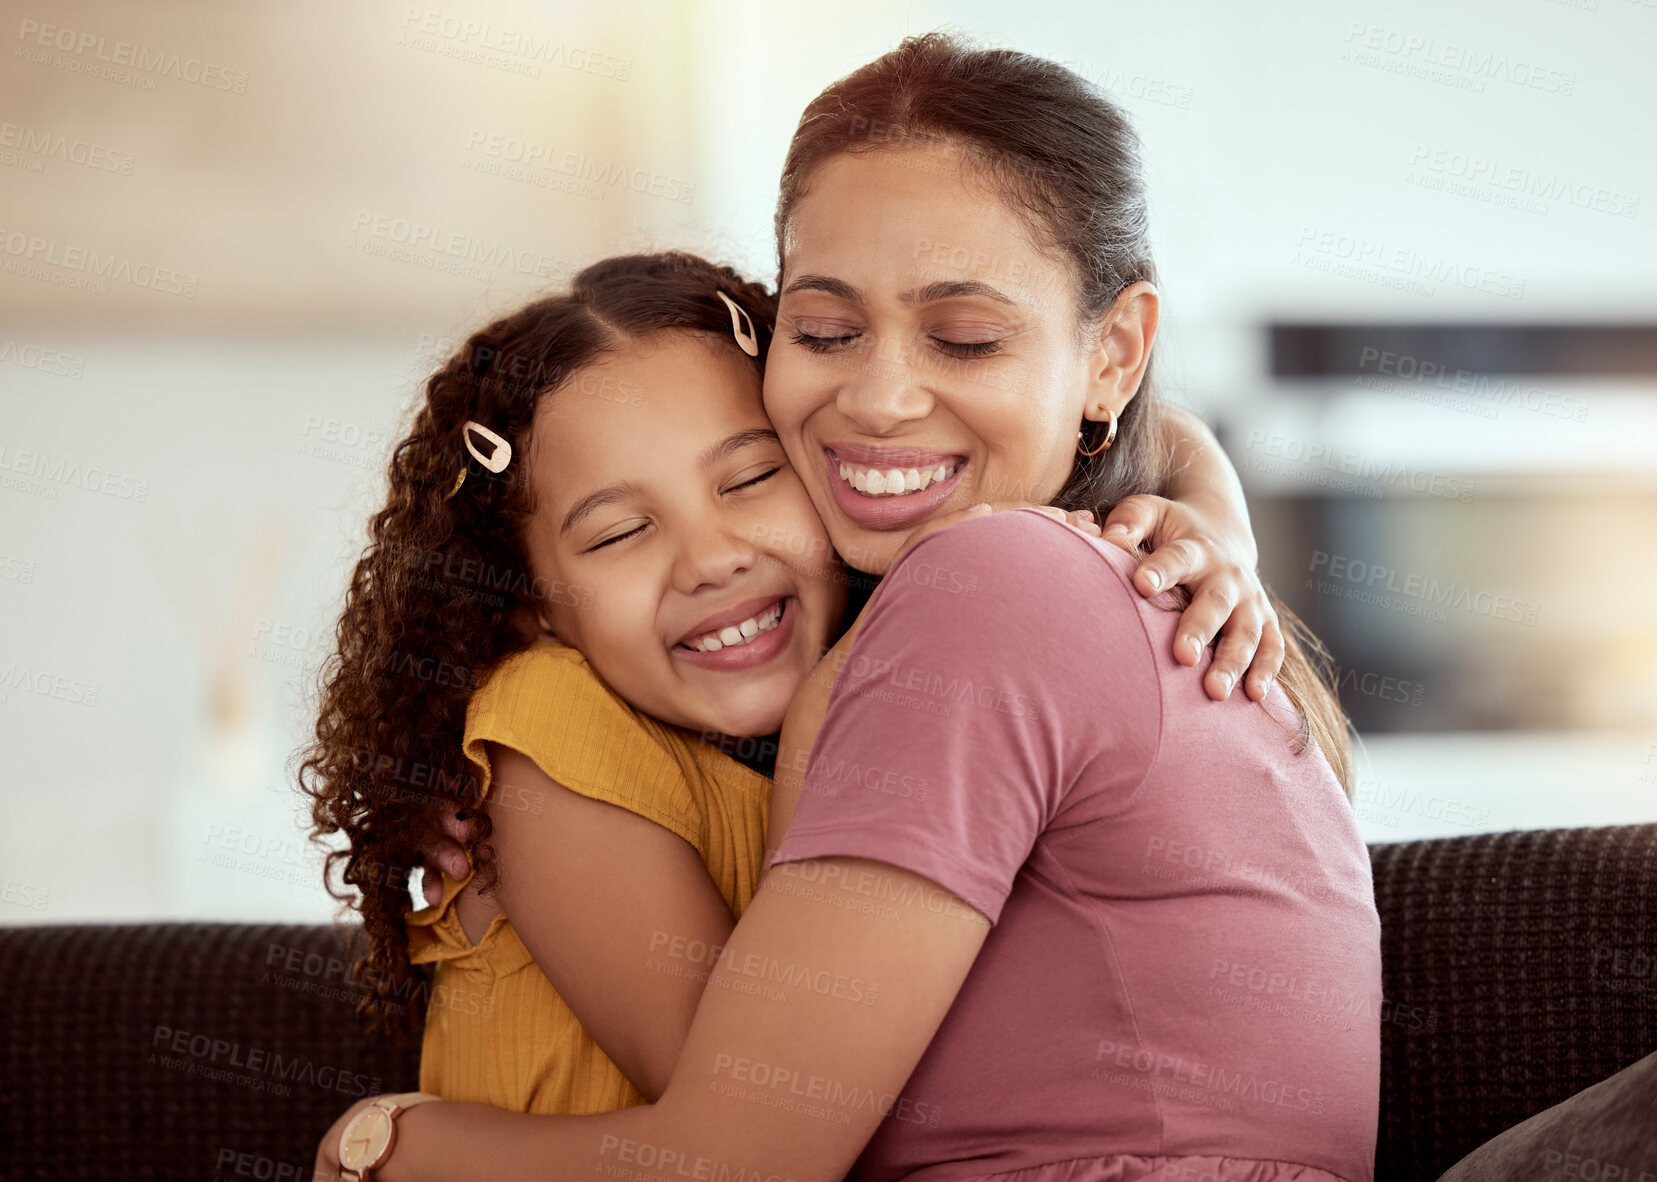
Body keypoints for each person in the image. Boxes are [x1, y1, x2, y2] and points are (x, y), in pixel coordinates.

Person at [314, 31, 1379, 1182]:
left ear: (1113, 354)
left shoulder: (989, 584)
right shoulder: (1059, 574)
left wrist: (379, 1145)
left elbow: (737, 1152)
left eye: (963, 336)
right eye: (823, 333)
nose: (876, 400)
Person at [300, 253, 1273, 1117]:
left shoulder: (878, 687)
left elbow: (1150, 421)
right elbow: (757, 1114)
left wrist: (1221, 524)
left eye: (749, 479)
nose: (710, 559)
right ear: (531, 606)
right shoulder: (547, 722)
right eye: (617, 534)